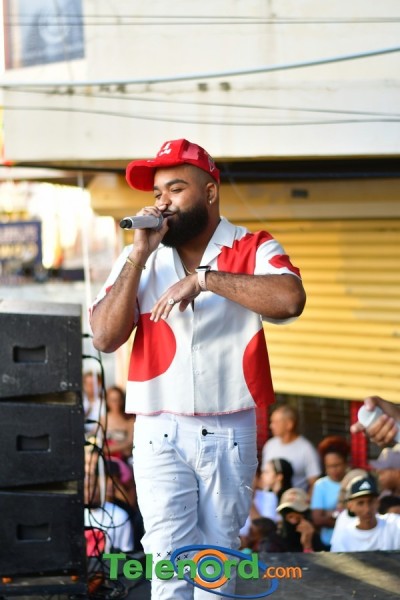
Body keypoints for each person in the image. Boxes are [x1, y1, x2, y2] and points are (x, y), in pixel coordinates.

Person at [90, 138, 306, 599]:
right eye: (157, 194)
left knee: (217, 561)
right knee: (166, 564)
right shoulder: (138, 258)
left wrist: (205, 280)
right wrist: (138, 255)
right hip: (158, 426)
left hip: (230, 426)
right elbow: (105, 337)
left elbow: (290, 299)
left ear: (210, 192)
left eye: (175, 189)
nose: (162, 203)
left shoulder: (253, 245)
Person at [330, 473, 400, 552]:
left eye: (371, 502)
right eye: (360, 503)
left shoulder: (394, 524)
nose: (367, 509)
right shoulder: (343, 537)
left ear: (378, 502)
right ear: (350, 506)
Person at [261, 404, 321, 492]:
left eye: (276, 422)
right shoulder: (269, 445)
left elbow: (315, 484)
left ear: (289, 424)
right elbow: (263, 478)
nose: (271, 426)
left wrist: (305, 499)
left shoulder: (306, 449)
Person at [311, 436, 350, 548]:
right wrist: (345, 522)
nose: (333, 470)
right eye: (329, 466)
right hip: (328, 543)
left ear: (345, 463)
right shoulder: (320, 485)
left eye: (337, 465)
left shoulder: (353, 480)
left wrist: (329, 514)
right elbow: (317, 519)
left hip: (351, 541)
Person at [276, 488, 326, 552]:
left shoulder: (313, 537)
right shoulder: (276, 538)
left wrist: (307, 544)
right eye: (290, 517)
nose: (293, 521)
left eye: (298, 517)